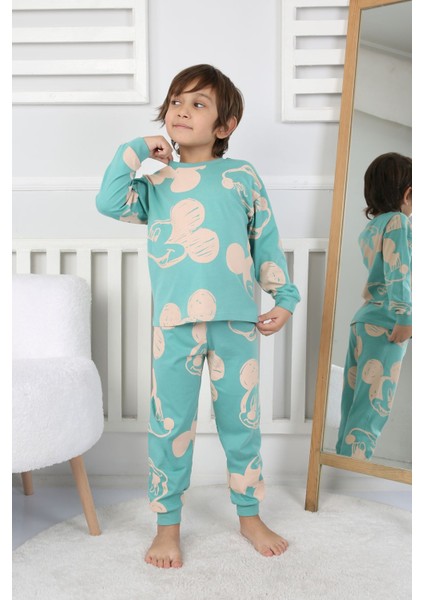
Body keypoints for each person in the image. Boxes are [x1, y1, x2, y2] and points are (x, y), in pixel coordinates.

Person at [96, 64, 300, 568]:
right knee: (170, 427)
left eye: (198, 104)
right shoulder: (156, 180)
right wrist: (137, 149)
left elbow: (265, 241)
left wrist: (284, 297)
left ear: (224, 125)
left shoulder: (241, 176)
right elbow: (108, 201)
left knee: (241, 424)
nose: (183, 111)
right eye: (176, 102)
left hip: (236, 323)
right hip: (174, 326)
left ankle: (249, 516)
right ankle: (167, 527)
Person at [335, 152, 412, 461]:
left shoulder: (372, 228)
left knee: (353, 404)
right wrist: (405, 317)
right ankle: (354, 471)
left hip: (364, 322)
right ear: (408, 193)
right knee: (371, 409)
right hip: (387, 323)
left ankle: (341, 468)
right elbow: (399, 271)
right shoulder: (399, 222)